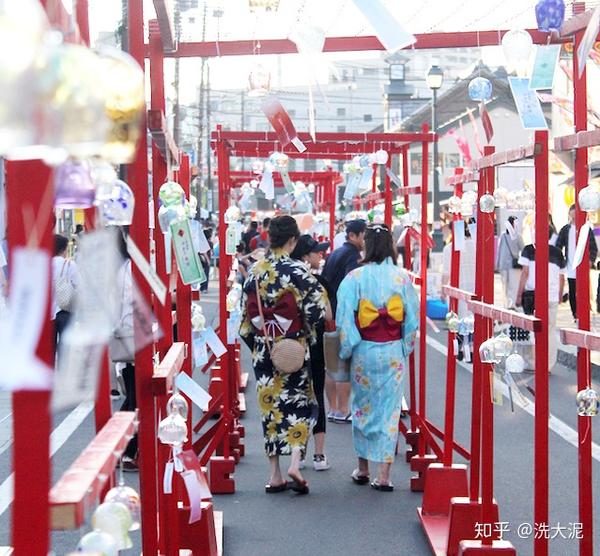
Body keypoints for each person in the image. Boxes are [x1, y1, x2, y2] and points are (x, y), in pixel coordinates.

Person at [240, 216, 327, 494]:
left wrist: (259, 343)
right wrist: (303, 332)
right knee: (299, 403)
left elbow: (246, 318)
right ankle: (295, 463)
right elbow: (317, 311)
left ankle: (275, 474)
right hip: (293, 348)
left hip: (265, 349)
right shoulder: (299, 273)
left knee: (271, 409)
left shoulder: (254, 271)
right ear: (293, 240)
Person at [336, 223, 418, 491]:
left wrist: (348, 347)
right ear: (390, 246)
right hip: (393, 348)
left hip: (364, 349)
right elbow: (412, 319)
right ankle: (384, 475)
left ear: (367, 245)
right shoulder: (403, 278)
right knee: (390, 410)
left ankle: (362, 467)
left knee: (362, 406)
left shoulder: (355, 278)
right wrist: (405, 345)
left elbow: (344, 318)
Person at [291, 235, 332, 471]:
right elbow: (328, 316)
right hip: (314, 346)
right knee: (316, 394)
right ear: (306, 256)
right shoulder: (318, 282)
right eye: (317, 252)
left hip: (290, 348)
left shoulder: (285, 279)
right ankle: (319, 454)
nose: (320, 255)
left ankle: (299, 453)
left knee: (296, 397)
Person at [321, 219, 366, 423]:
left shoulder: (334, 253)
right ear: (353, 236)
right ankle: (343, 408)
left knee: (330, 366)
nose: (365, 239)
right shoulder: (352, 256)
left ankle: (332, 408)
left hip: (328, 312)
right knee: (343, 366)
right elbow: (352, 285)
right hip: (343, 314)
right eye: (363, 234)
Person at [515, 226, 566, 372]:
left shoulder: (529, 250)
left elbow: (525, 273)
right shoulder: (557, 253)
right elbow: (561, 277)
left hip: (533, 296)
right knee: (549, 332)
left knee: (532, 330)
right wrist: (560, 294)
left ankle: (533, 363)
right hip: (552, 297)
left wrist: (519, 294)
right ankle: (548, 365)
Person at [441, 220, 476, 360]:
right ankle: (472, 348)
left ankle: (460, 348)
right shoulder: (475, 245)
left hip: (458, 287)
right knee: (472, 318)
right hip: (474, 287)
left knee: (459, 318)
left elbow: (446, 273)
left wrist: (443, 290)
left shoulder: (449, 248)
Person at [556, 204, 597, 319]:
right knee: (572, 291)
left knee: (583, 291)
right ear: (569, 214)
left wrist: (590, 261)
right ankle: (575, 314)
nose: (574, 217)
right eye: (572, 214)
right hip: (570, 266)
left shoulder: (586, 229)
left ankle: (585, 312)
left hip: (583, 266)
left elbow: (593, 248)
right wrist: (561, 262)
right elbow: (558, 246)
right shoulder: (565, 229)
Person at [52, 234, 78, 352]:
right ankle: (64, 370)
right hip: (65, 310)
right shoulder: (69, 265)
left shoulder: (45, 264)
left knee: (49, 349)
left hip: (48, 313)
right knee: (65, 349)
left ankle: (49, 370)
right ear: (64, 249)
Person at [495, 216, 524, 309]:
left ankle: (507, 304)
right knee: (512, 286)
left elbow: (499, 250)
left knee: (506, 286)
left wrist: (498, 264)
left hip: (505, 264)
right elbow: (523, 249)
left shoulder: (503, 235)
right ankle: (511, 304)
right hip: (512, 265)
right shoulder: (518, 236)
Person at [199, 227, 213, 293]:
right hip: (206, 259)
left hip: (200, 259)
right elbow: (209, 252)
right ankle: (204, 288)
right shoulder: (210, 243)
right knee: (206, 274)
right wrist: (208, 260)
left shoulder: (201, 242)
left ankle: (201, 287)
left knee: (202, 274)